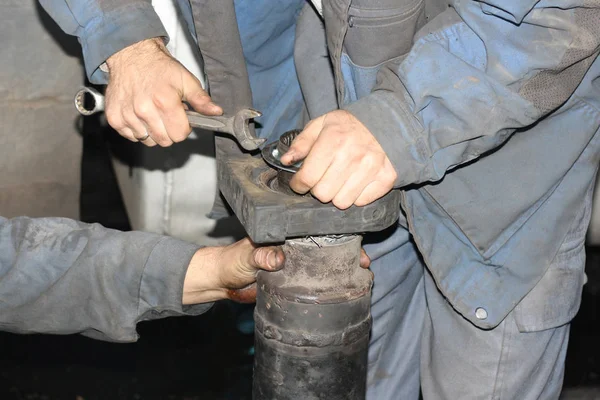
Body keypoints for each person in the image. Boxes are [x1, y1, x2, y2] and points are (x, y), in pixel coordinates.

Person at [39, 0, 600, 399]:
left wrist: (400, 124)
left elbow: (561, 12)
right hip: (333, 113)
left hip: (505, 164)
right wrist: (123, 38)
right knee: (352, 367)